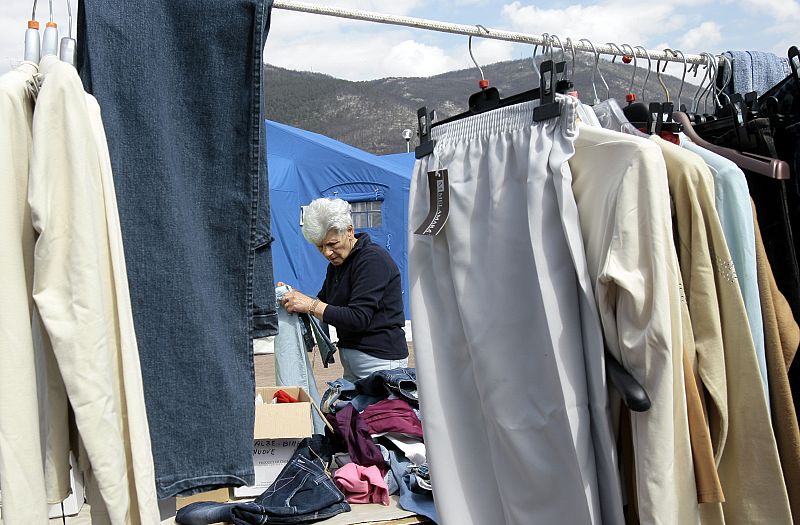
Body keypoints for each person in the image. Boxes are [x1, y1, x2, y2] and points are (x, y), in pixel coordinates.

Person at [280, 197, 409, 381]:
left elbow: (358, 318)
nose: (326, 252)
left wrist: (309, 304)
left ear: (349, 231)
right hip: (355, 366)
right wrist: (295, 297)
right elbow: (323, 303)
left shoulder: (372, 261)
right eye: (320, 246)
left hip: (381, 363)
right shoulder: (338, 265)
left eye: (332, 244)